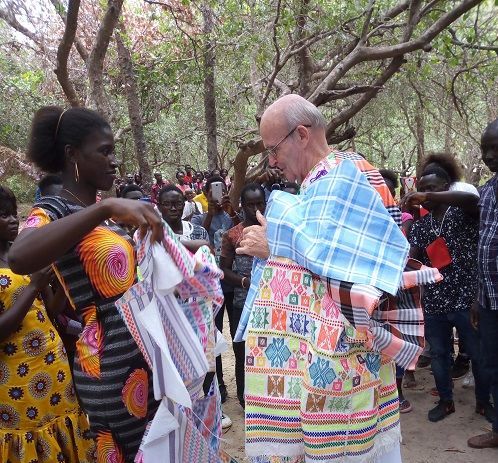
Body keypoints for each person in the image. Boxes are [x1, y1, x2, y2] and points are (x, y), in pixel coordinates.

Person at [234, 94, 435, 463]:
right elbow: (327, 251)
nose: (273, 162)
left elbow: (363, 271)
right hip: (330, 357)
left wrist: (274, 243)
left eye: (274, 149)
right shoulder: (322, 180)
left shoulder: (349, 176)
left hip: (346, 359)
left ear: (302, 134)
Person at [8, 106, 163, 462]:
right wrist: (105, 207)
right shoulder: (54, 209)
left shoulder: (100, 212)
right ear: (72, 154)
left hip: (141, 355)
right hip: (107, 365)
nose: (113, 161)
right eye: (104, 151)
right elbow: (20, 256)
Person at [0, 185, 95, 462]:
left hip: (53, 363)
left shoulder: (26, 256)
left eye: (11, 212)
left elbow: (51, 311)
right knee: (31, 435)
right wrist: (33, 287)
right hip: (17, 375)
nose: (12, 219)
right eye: (2, 215)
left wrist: (63, 282)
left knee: (64, 425)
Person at [403, 166, 493, 423]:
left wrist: (432, 197)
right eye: (423, 188)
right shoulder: (422, 225)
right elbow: (413, 258)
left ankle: (484, 403)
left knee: (477, 354)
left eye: (432, 188)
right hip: (434, 301)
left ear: (446, 188)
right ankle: (446, 401)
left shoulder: (463, 212)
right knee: (440, 355)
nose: (426, 193)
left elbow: (473, 200)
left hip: (467, 299)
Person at [219, 183, 266, 408]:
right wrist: (245, 282)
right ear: (242, 206)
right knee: (242, 351)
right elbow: (223, 270)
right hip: (241, 303)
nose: (256, 209)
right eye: (251, 204)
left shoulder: (273, 230)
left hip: (269, 303)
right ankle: (244, 398)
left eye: (260, 203)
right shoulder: (233, 234)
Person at [467, 118, 498, 449]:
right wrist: (478, 298)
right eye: (484, 149)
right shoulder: (488, 191)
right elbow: (483, 249)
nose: (489, 155)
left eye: (495, 148)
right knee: (492, 365)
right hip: (490, 300)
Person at [191, 176, 235, 246]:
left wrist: (232, 214)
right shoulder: (197, 219)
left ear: (227, 192)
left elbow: (242, 234)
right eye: (214, 193)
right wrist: (210, 215)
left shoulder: (233, 216)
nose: (219, 194)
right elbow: (198, 242)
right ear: (206, 194)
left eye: (222, 191)